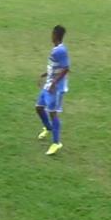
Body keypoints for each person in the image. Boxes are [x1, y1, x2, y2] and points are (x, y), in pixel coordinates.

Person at [35, 25, 71, 156]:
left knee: (53, 113)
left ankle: (56, 143)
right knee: (39, 107)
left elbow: (66, 68)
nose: (51, 36)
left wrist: (54, 83)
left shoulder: (60, 51)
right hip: (49, 84)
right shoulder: (56, 49)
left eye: (52, 33)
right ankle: (48, 128)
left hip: (55, 88)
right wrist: (45, 75)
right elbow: (56, 66)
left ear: (56, 35)